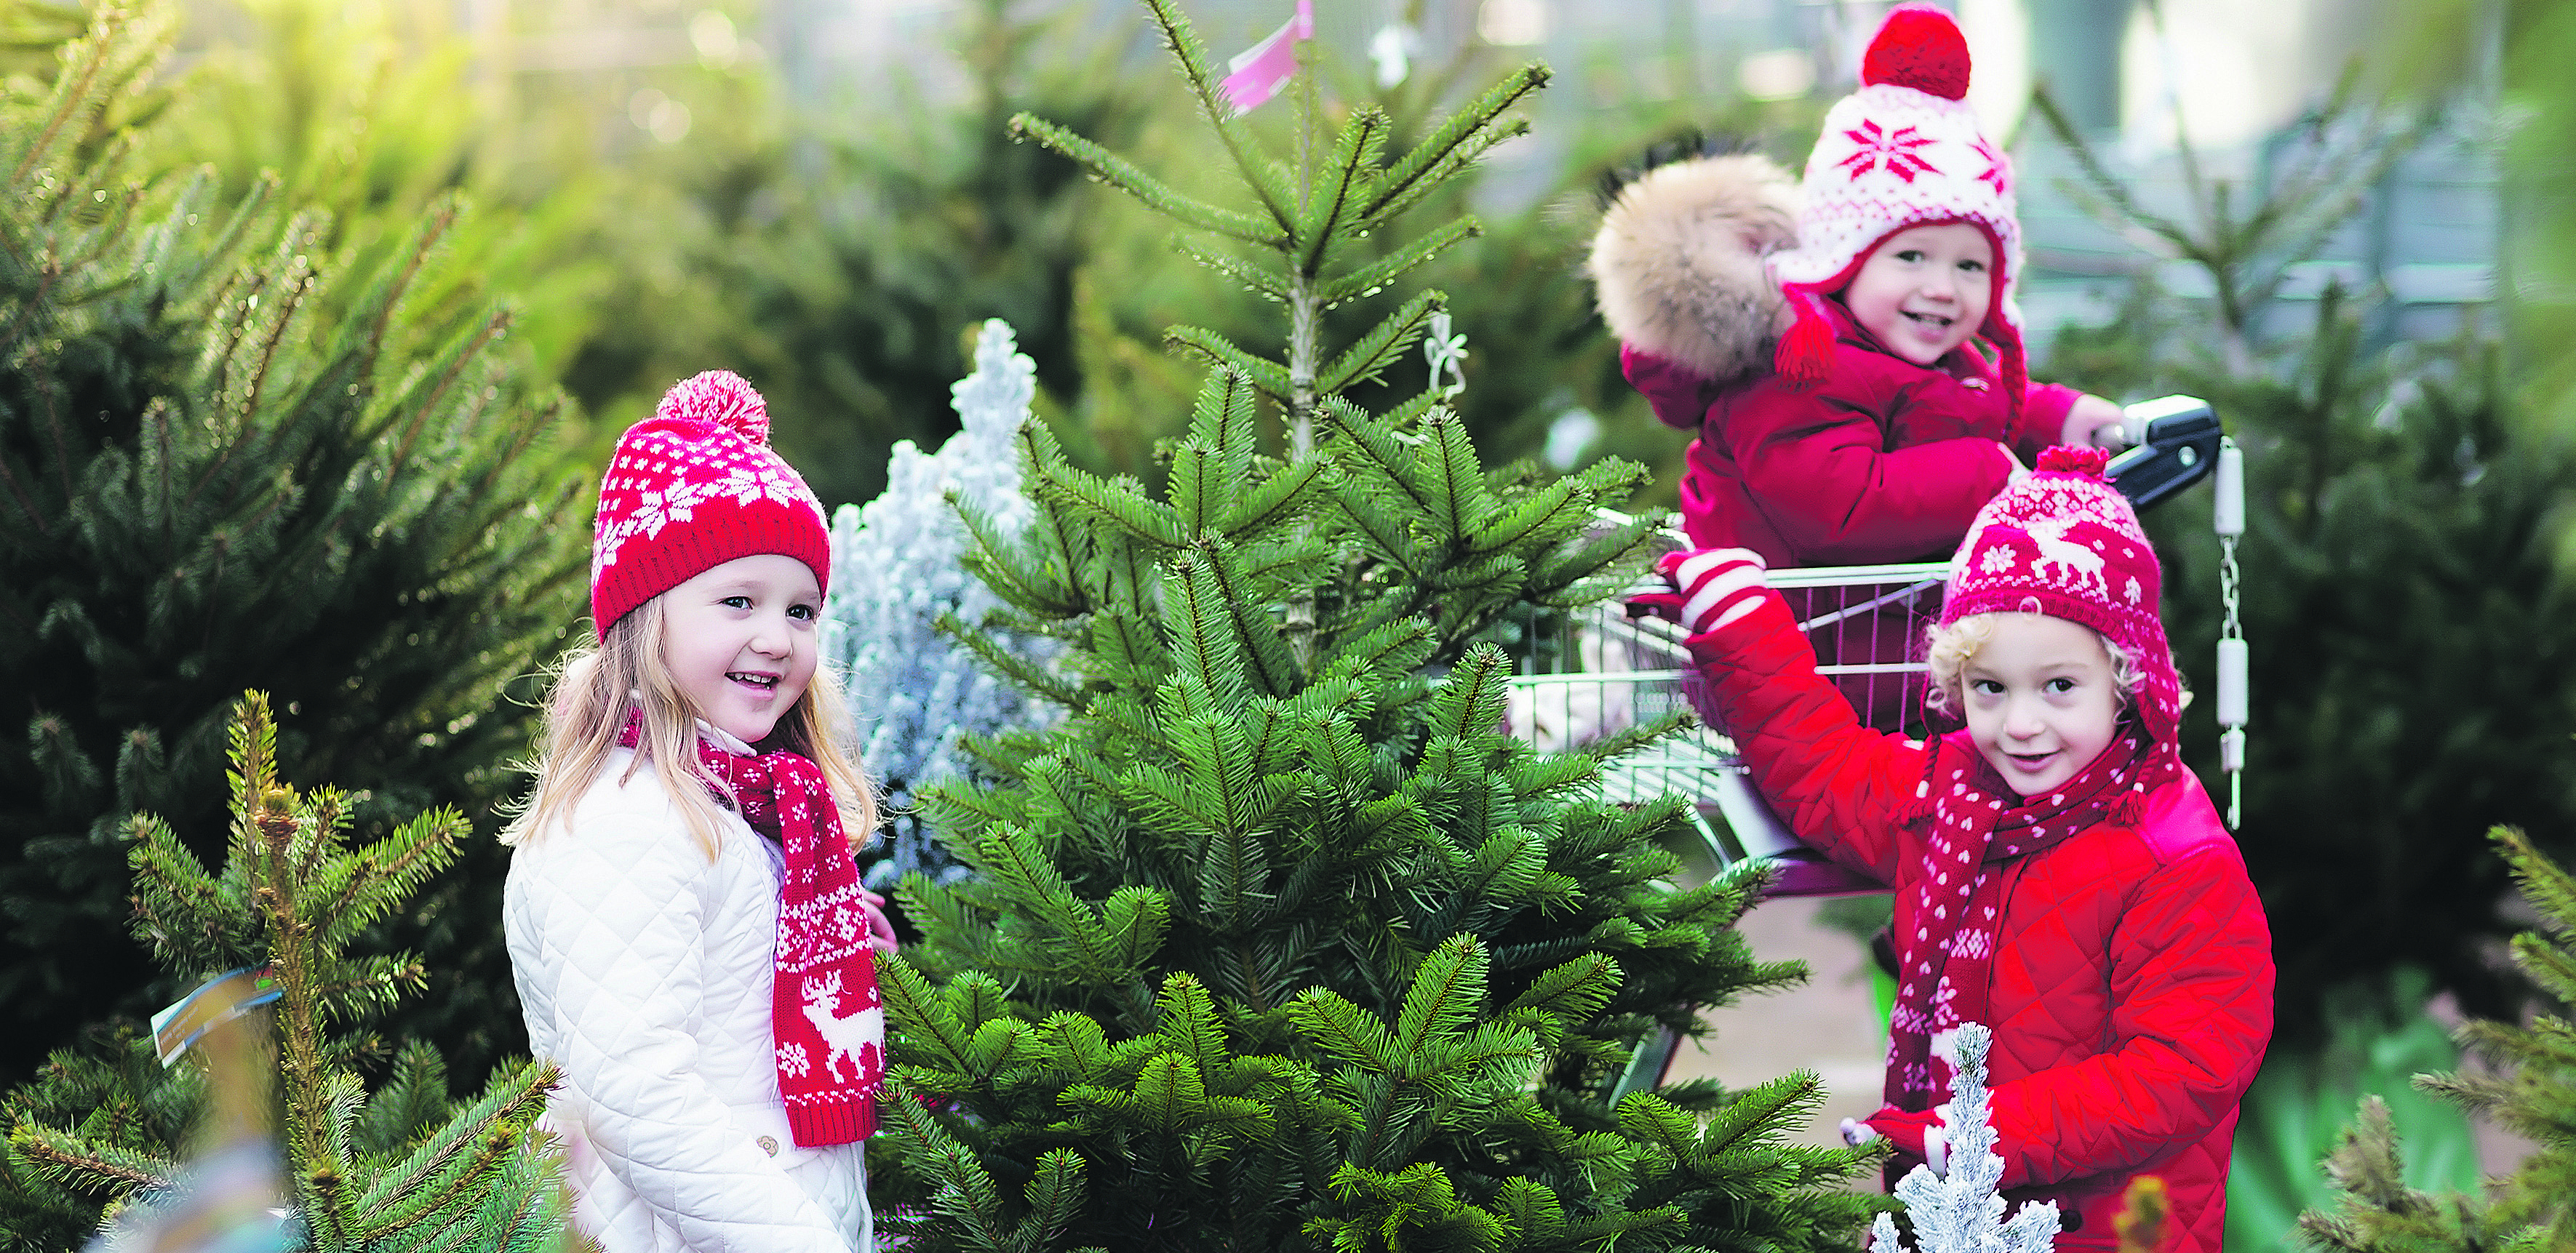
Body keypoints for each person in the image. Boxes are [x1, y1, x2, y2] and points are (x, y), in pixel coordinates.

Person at [1636, 447, 2272, 1253]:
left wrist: (1976, 1135)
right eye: (1989, 688)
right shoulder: (1951, 798)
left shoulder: (2172, 857)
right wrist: (1743, 629)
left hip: (2110, 1230)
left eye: (2060, 686)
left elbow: (2181, 1072)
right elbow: (1828, 774)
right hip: (1949, 1218)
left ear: (2127, 681)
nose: (2020, 724)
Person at [1590, 6, 2129, 727]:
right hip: (1795, 672)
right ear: (1843, 262)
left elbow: (1962, 400)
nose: (1941, 287)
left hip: (1872, 652)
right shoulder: (1797, 370)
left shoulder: (1917, 351)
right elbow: (1836, 504)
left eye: (1970, 266)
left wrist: (2057, 414)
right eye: (1910, 257)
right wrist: (1987, 478)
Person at [503, 370, 896, 1252]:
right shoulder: (628, 818)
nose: (777, 636)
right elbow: (633, 1092)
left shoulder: (753, 811)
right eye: (738, 601)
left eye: (801, 608)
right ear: (648, 618)